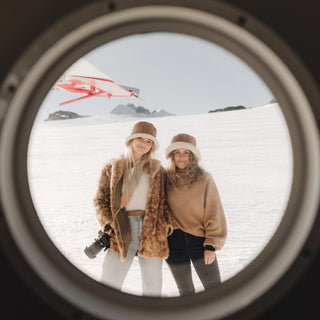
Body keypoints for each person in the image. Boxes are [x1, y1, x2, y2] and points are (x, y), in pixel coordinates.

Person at [93, 121, 172, 296]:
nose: (143, 144)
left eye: (148, 141)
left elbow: (169, 202)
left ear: (152, 146)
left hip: (151, 229)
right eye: (140, 138)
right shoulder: (113, 166)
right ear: (131, 140)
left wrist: (165, 225)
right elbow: (100, 200)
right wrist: (108, 223)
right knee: (109, 281)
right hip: (121, 227)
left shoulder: (158, 169)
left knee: (153, 286)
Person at [165, 133, 227, 296]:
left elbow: (214, 211)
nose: (181, 157)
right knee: (186, 292)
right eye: (177, 153)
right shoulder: (164, 179)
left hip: (200, 242)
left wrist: (211, 245)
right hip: (173, 244)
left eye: (186, 153)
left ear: (192, 156)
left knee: (214, 290)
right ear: (172, 156)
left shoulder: (204, 179)